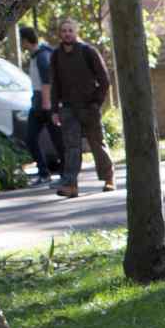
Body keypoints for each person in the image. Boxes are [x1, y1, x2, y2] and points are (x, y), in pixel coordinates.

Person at [46, 19, 114, 199]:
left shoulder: (88, 52)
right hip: (68, 109)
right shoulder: (56, 55)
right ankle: (71, 185)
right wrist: (54, 110)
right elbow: (55, 84)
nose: (67, 33)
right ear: (60, 34)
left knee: (97, 144)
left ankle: (108, 177)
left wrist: (96, 103)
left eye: (70, 30)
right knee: (71, 148)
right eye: (64, 31)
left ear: (76, 32)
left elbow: (105, 80)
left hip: (88, 107)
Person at [18, 25, 64, 186]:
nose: (20, 44)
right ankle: (44, 173)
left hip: (45, 103)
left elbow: (47, 81)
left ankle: (65, 173)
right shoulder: (34, 56)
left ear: (25, 40)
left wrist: (46, 103)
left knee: (57, 139)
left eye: (20, 40)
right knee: (30, 138)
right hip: (37, 103)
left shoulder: (42, 56)